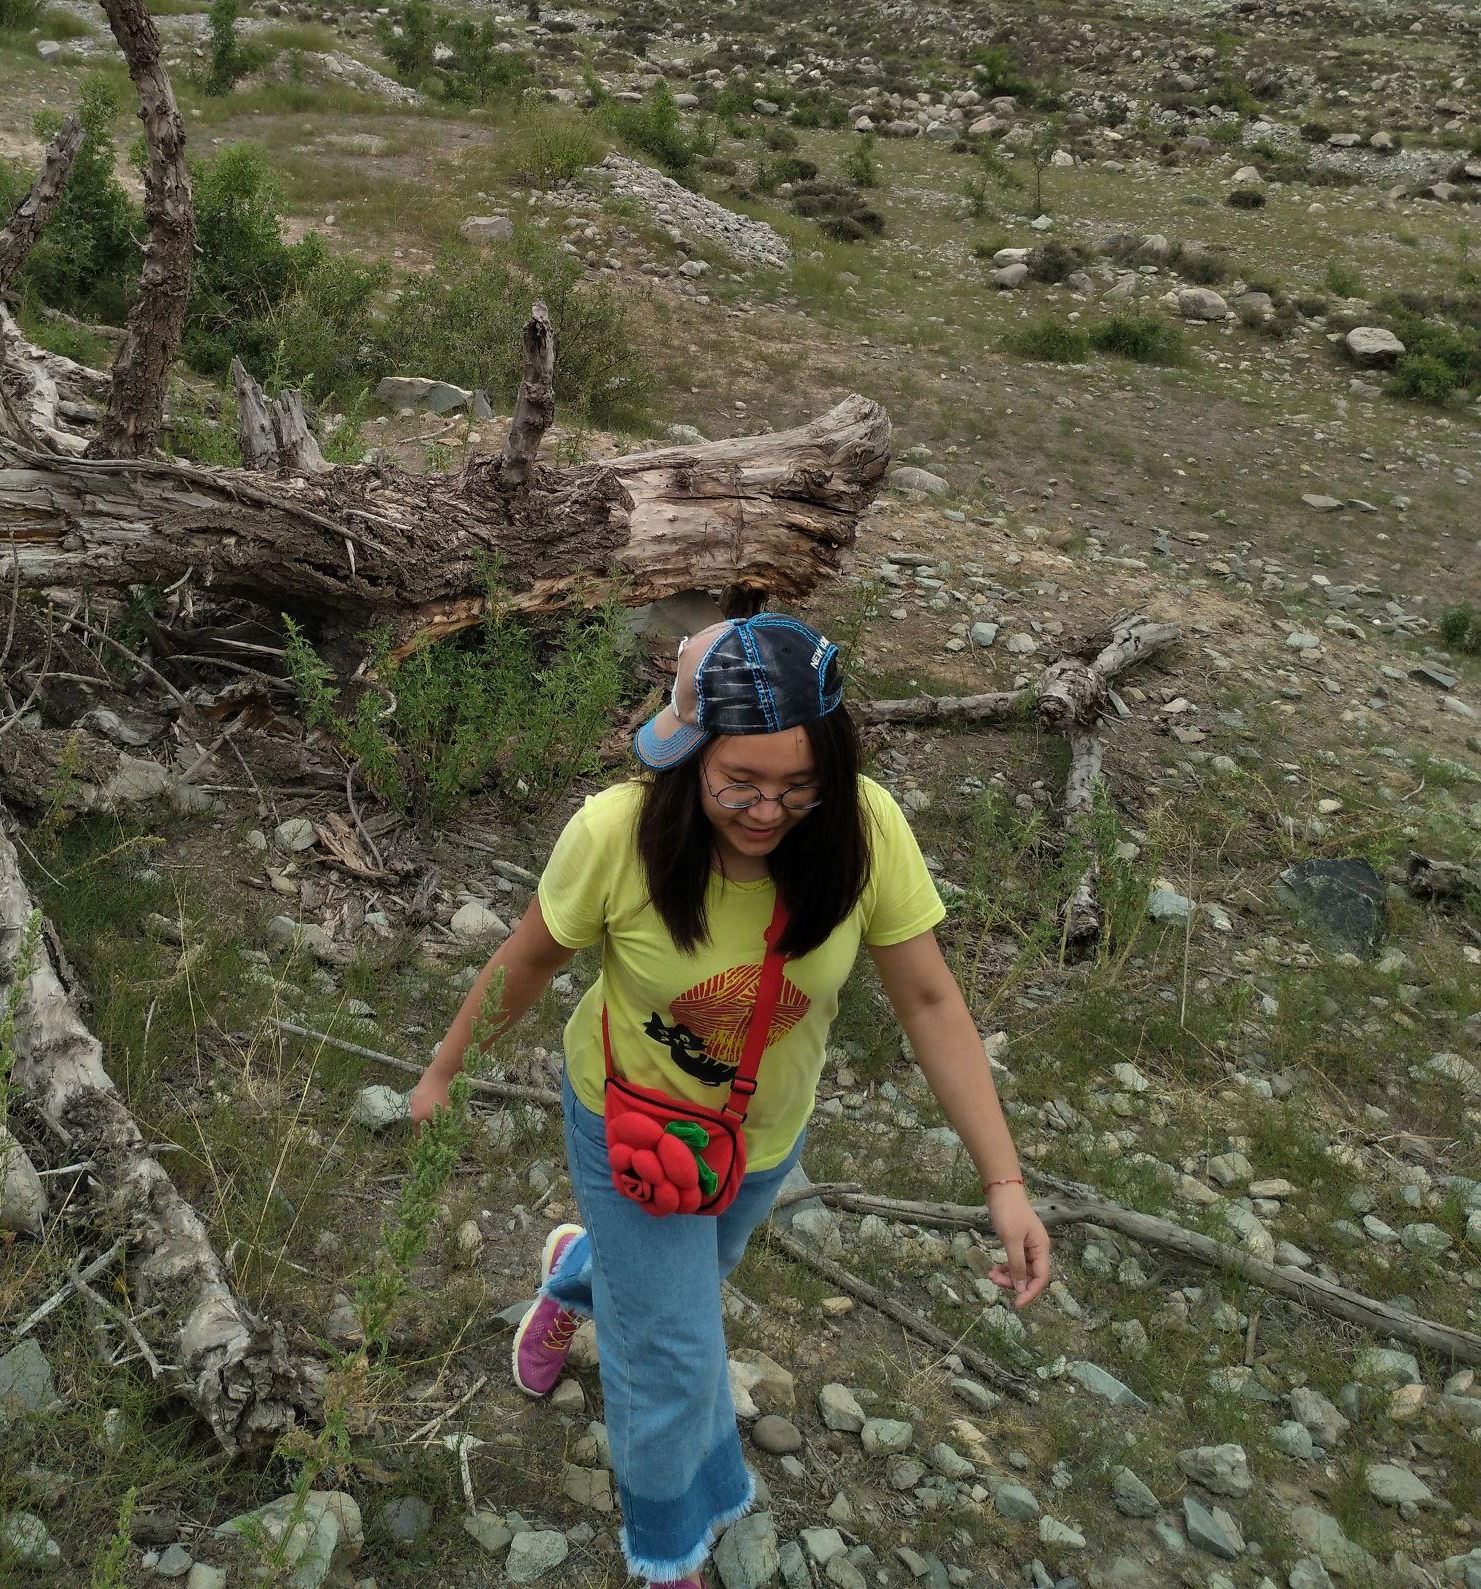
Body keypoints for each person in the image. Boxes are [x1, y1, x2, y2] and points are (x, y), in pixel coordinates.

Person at [411, 612, 1051, 1588]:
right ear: (688, 755)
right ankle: (669, 1554)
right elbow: (529, 958)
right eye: (738, 783)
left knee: (668, 1291)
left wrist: (1002, 1180)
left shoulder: (864, 829)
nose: (767, 810)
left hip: (755, 1142)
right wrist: (446, 1064)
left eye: (799, 786)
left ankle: (575, 1272)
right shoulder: (616, 834)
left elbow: (928, 999)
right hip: (623, 1120)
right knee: (671, 1356)